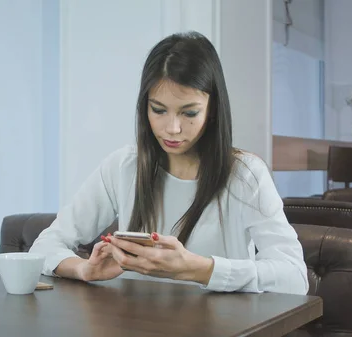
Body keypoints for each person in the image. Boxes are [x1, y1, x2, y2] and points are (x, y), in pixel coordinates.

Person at [29, 31, 309, 295]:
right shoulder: (124, 167)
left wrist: (200, 269)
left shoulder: (245, 175)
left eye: (189, 113)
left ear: (212, 111)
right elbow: (45, 246)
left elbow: (295, 277)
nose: (172, 128)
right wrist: (83, 269)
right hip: (132, 324)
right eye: (158, 110)